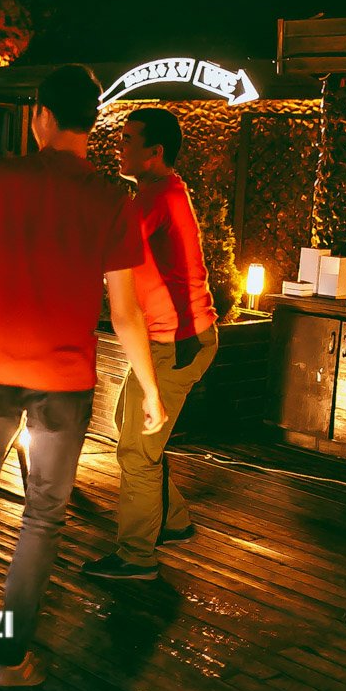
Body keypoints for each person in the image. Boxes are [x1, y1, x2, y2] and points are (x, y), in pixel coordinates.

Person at [0, 65, 166, 686]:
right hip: (64, 378)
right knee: (42, 515)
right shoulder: (112, 198)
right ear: (92, 122)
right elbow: (125, 312)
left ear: (41, 115)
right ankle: (8, 659)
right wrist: (149, 388)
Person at [82, 107, 219, 580]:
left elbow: (105, 247)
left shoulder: (157, 199)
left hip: (177, 342)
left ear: (155, 151)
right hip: (173, 339)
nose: (119, 147)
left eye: (128, 139)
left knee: (137, 451)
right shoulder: (159, 193)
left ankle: (137, 556)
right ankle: (174, 521)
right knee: (132, 427)